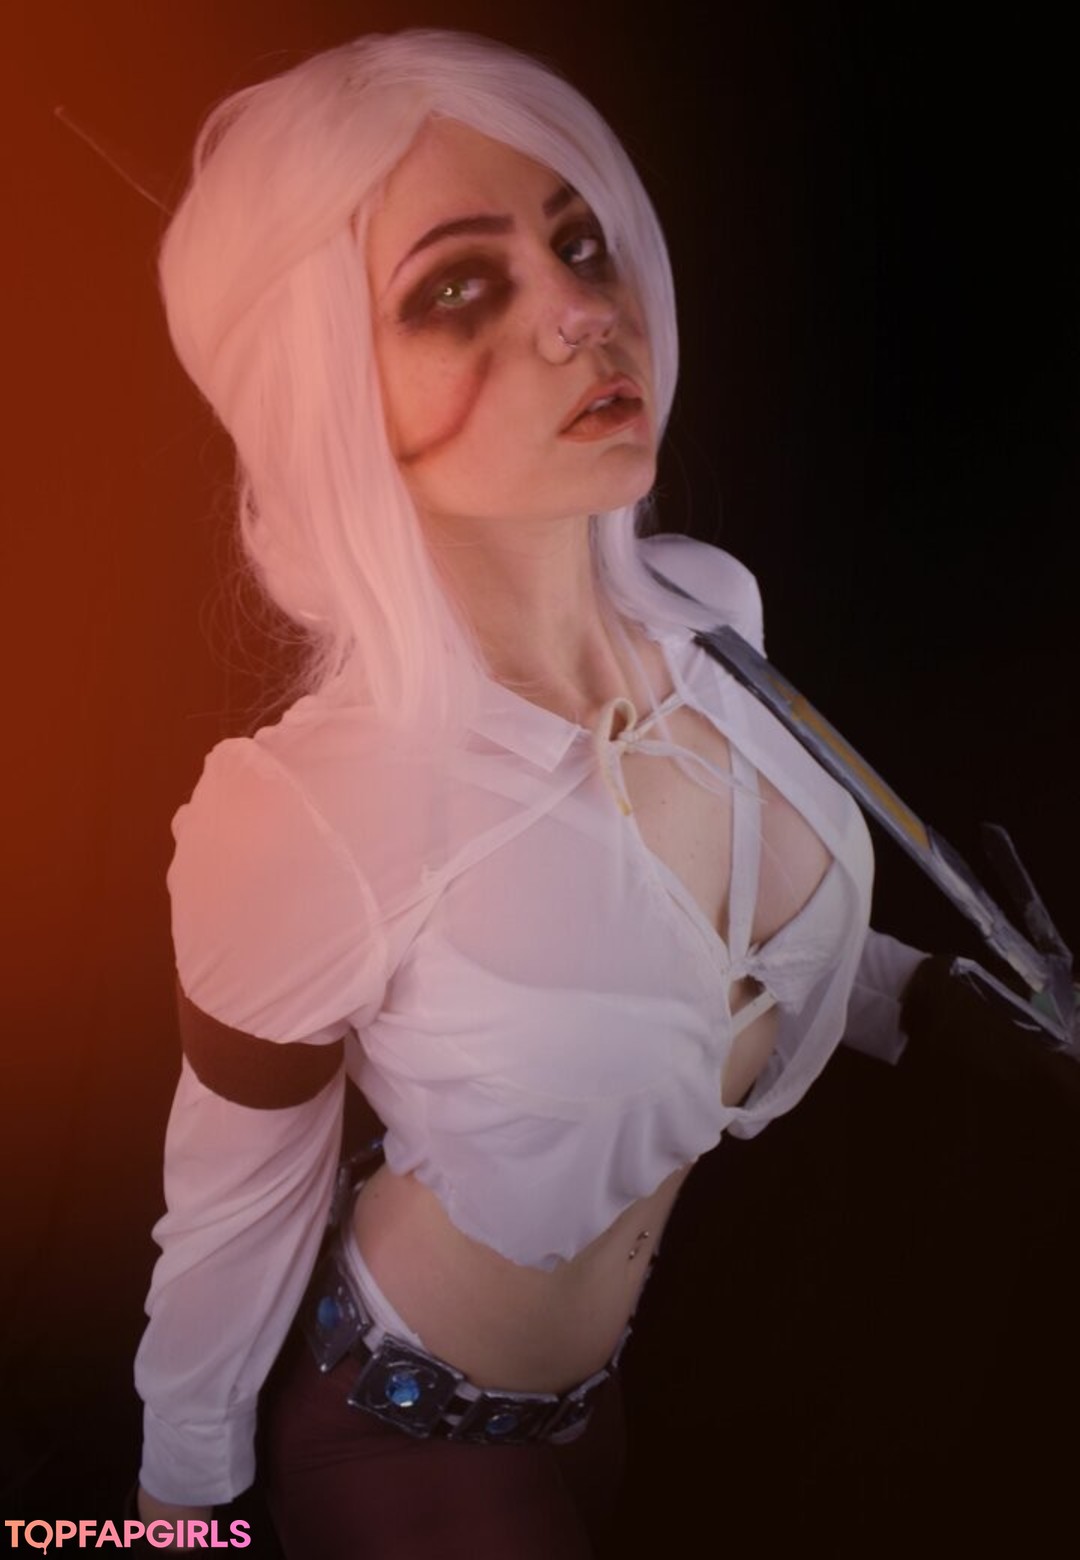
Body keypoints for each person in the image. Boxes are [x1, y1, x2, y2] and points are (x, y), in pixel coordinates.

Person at [133, 29, 928, 1557]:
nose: (582, 311)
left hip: (603, 1414)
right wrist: (175, 1522)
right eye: (456, 289)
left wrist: (933, 1003)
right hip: (403, 1443)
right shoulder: (307, 812)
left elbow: (710, 941)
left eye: (578, 243)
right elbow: (237, 1207)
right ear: (325, 395)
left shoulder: (711, 619)